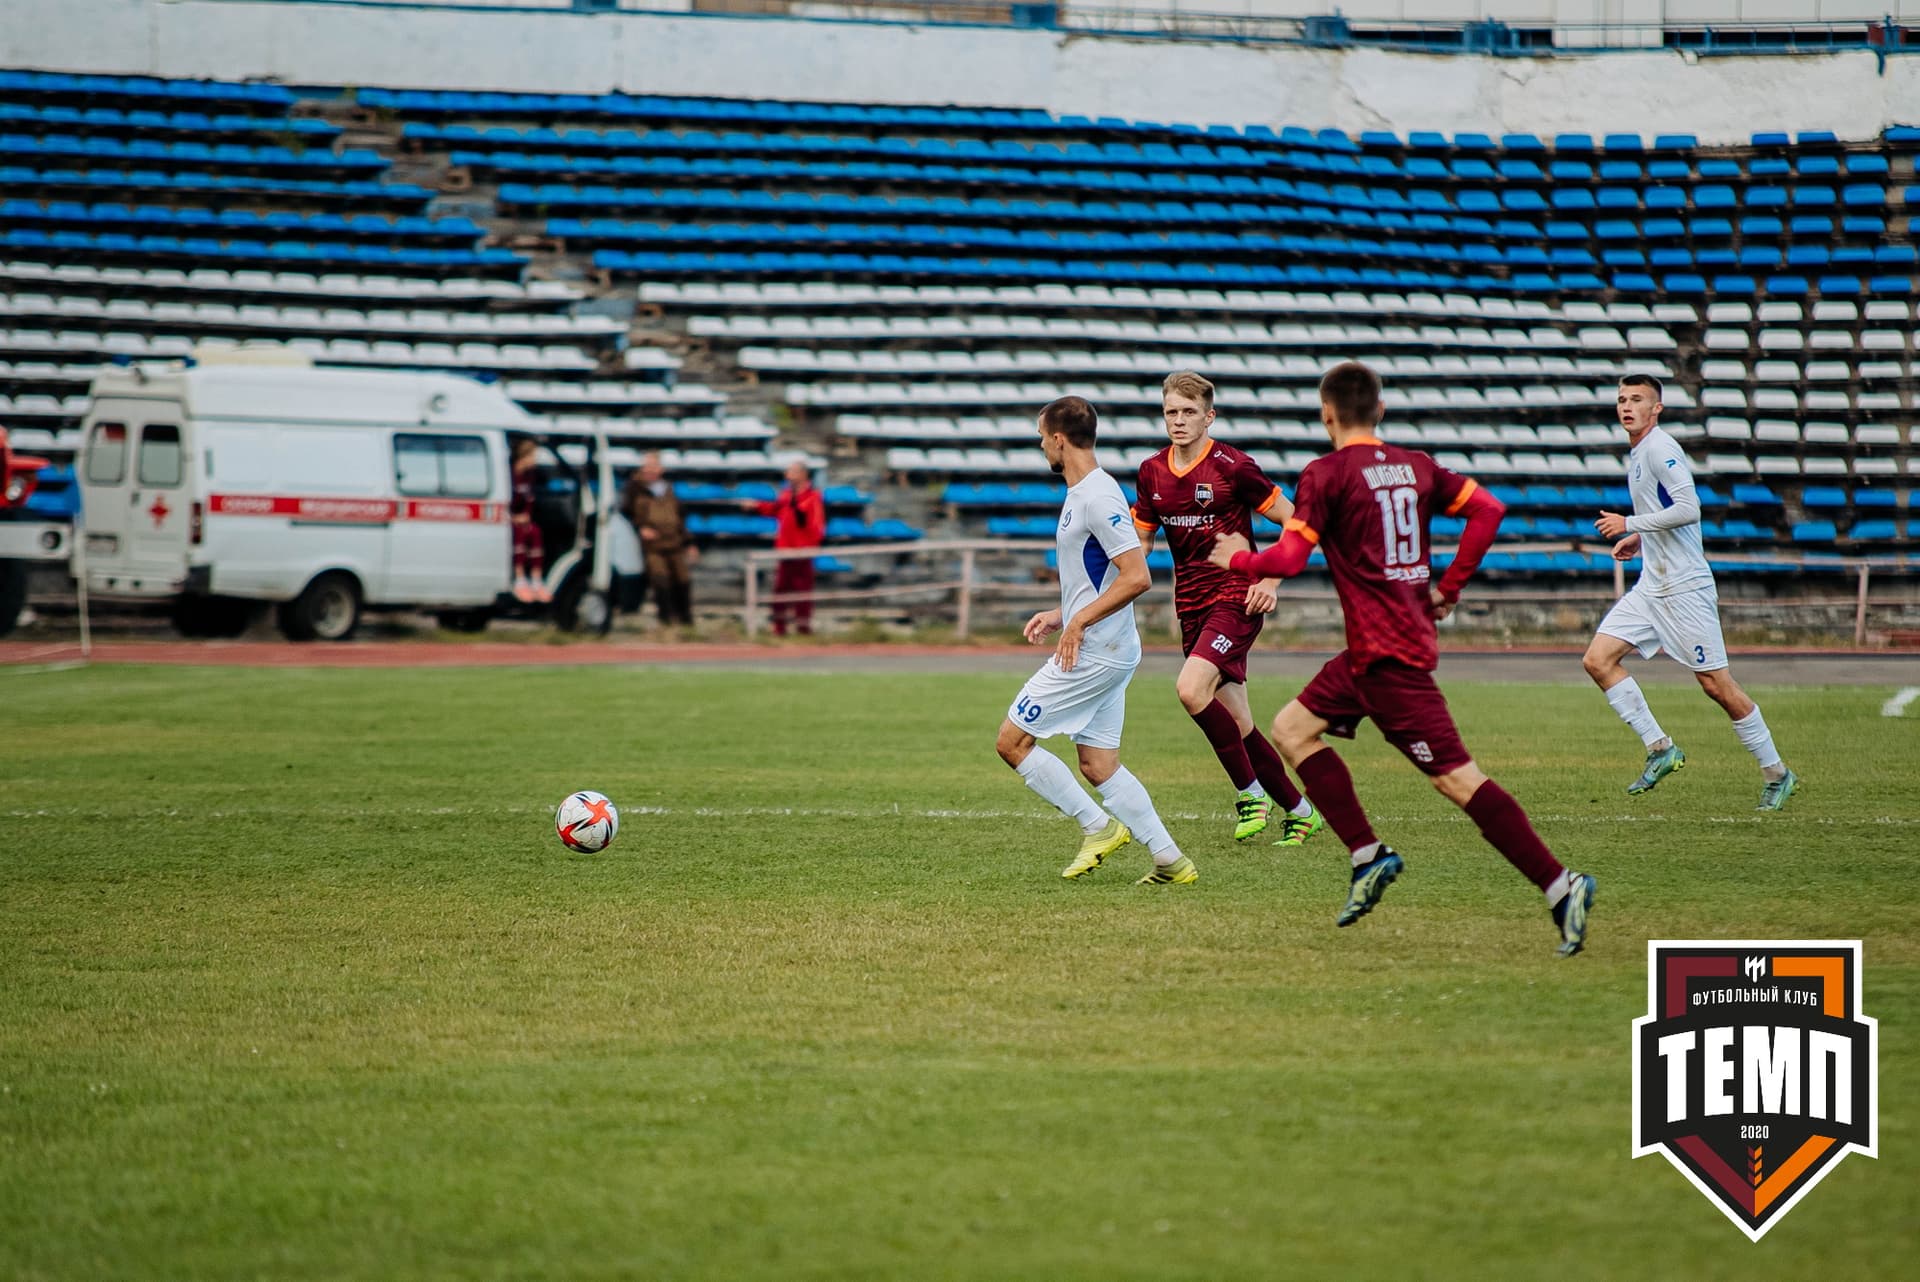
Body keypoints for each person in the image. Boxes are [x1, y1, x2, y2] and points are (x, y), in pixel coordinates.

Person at [1208, 361, 1596, 957]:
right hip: (1369, 653)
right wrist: (1449, 588)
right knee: (1290, 728)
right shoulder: (1416, 466)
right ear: (1380, 411)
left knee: (1458, 782)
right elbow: (1488, 510)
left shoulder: (1327, 473)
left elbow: (1287, 560)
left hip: (1392, 663)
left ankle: (1559, 884)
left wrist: (1236, 559)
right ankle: (1367, 855)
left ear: (1326, 414)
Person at [996, 395, 1197, 885]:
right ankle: (1171, 860)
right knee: (1099, 762)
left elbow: (1137, 577)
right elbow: (1102, 580)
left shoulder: (1097, 496)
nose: (1042, 445)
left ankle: (1098, 826)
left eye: (1043, 437)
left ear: (1059, 439)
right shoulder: (1085, 492)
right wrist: (1062, 611)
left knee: (1012, 742)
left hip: (1096, 651)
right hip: (1108, 646)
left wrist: (1079, 623)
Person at [1583, 374, 1798, 810]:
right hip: (1653, 585)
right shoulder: (1639, 452)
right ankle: (1661, 749)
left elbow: (1688, 508)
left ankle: (1777, 772)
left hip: (1684, 588)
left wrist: (1630, 524)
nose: (1627, 406)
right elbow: (1663, 513)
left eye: (1637, 399)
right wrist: (1640, 539)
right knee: (1597, 660)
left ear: (1656, 408)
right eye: (1622, 399)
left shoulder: (1661, 449)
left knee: (1716, 685)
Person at [1131, 370, 1322, 848]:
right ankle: (1301, 812)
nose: (1179, 420)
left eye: (1189, 412)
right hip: (1190, 605)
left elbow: (1298, 522)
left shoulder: (1234, 467)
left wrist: (1272, 578)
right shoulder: (1151, 471)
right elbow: (1141, 541)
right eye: (1171, 412)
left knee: (1191, 690)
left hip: (1237, 597)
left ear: (1208, 416)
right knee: (1238, 722)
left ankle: (1249, 794)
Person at [744, 461, 827, 636]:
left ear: (803, 474)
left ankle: (803, 628)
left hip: (802, 553)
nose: (788, 475)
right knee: (781, 590)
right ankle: (779, 627)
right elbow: (775, 509)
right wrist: (757, 506)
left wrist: (810, 546)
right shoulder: (786, 495)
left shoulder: (812, 497)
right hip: (785, 551)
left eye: (792, 471)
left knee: (802, 592)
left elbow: (817, 525)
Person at [623, 452, 697, 627]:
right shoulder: (635, 489)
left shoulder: (668, 489)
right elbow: (627, 513)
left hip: (674, 542)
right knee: (660, 579)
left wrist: (689, 543)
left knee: (682, 580)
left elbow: (680, 518)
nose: (650, 471)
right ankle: (666, 620)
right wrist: (640, 528)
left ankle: (685, 620)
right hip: (652, 546)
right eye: (647, 467)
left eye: (654, 467)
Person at [508, 438, 549, 604]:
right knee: (517, 534)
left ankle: (536, 580)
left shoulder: (529, 477)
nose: (535, 460)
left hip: (521, 519)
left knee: (535, 532)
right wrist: (514, 518)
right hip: (508, 520)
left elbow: (529, 501)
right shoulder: (510, 475)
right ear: (523, 456)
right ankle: (519, 579)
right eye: (533, 456)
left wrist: (525, 516)